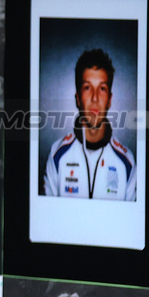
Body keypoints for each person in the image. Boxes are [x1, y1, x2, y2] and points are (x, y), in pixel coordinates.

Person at [43, 47, 136, 201]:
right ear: (78, 99)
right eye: (87, 88)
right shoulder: (57, 155)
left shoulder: (127, 162)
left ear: (110, 100)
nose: (95, 97)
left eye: (102, 88)